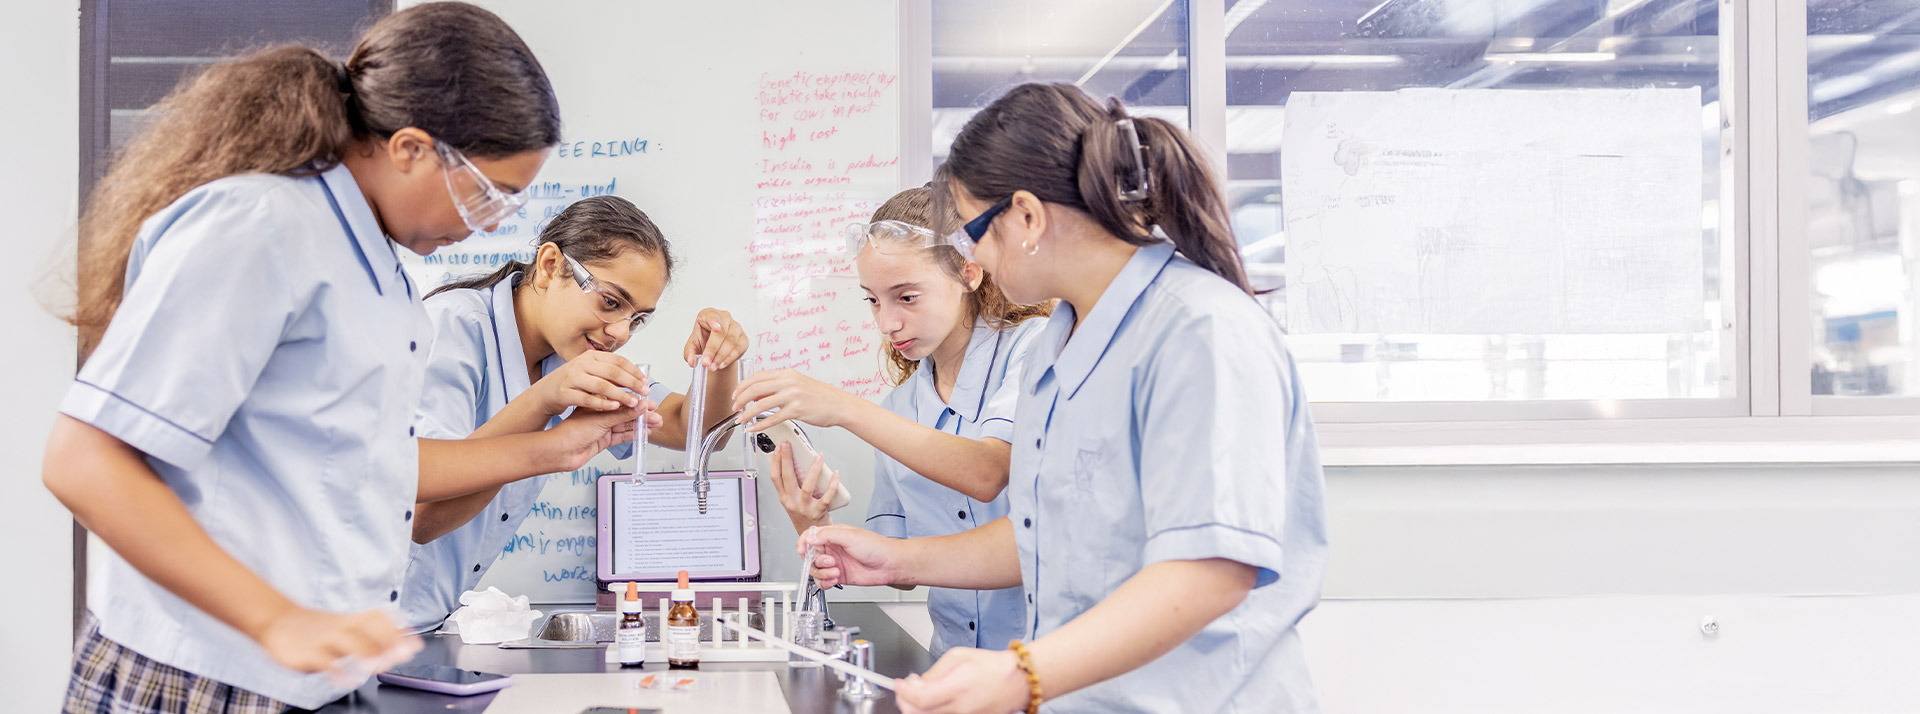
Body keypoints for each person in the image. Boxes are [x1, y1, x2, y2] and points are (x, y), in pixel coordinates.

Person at [43, 4, 631, 711]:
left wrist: (558, 443)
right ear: (411, 148)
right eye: (488, 193)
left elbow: (369, 466)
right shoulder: (261, 227)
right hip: (201, 675)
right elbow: (85, 459)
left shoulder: (380, 268)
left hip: (317, 679)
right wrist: (276, 618)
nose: (496, 223)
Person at [798, 83, 1329, 713]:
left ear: (1026, 216)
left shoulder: (1198, 331)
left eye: (974, 233)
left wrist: (1021, 673)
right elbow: (1042, 535)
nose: (974, 260)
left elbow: (1211, 570)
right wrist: (891, 561)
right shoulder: (1058, 346)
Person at [398, 194, 748, 630]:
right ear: (549, 266)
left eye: (638, 319)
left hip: (427, 623)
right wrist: (542, 403)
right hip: (362, 624)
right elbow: (422, 517)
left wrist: (720, 360)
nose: (621, 332)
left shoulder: (569, 354)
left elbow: (687, 429)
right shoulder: (454, 328)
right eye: (609, 302)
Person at [731, 186, 1048, 656]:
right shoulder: (900, 409)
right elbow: (891, 564)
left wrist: (844, 408)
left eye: (906, 297)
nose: (886, 322)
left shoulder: (1036, 348)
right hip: (956, 669)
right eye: (873, 301)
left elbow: (987, 472)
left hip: (1050, 669)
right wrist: (812, 525)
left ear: (969, 272)